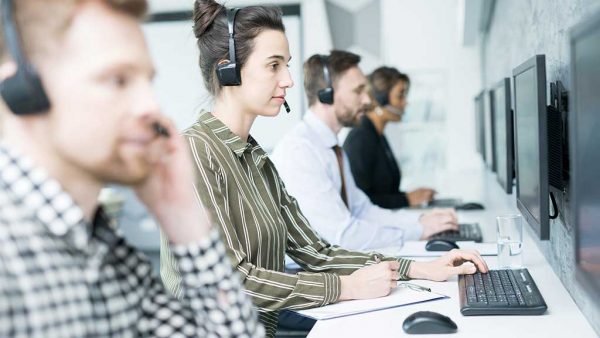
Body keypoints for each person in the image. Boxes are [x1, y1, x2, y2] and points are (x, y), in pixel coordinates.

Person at [159, 2, 488, 337]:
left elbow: (316, 253)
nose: (287, 80)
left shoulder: (258, 160)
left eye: (285, 66)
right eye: (273, 66)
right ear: (227, 69)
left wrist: (419, 268)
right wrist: (347, 287)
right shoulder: (191, 154)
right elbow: (229, 282)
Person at [0, 0, 263, 336]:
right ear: (23, 91)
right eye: (117, 80)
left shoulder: (107, 251)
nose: (151, 106)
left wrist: (182, 214)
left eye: (147, 82)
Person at [271, 51, 458, 252]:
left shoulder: (332, 148)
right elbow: (343, 236)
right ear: (327, 94)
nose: (368, 100)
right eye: (359, 91)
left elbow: (362, 210)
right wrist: (417, 231)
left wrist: (420, 220)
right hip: (311, 274)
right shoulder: (301, 151)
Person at [343, 66, 436, 209]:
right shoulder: (361, 138)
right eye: (400, 95)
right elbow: (360, 202)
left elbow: (384, 192)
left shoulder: (377, 134)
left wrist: (411, 196)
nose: (405, 103)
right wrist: (406, 199)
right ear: (379, 99)